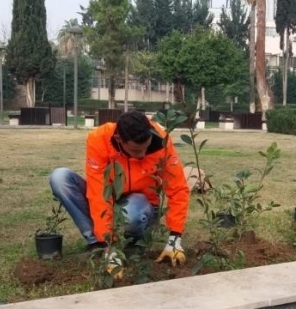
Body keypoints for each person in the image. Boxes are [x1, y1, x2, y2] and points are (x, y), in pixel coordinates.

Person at [49, 110, 190, 267]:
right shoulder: (99, 139)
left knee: (132, 211)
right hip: (111, 198)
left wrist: (175, 237)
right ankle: (98, 244)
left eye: (146, 147)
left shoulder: (161, 141)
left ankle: (135, 243)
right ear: (119, 139)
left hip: (142, 205)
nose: (143, 155)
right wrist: (109, 244)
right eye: (136, 150)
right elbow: (99, 193)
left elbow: (178, 189)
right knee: (60, 178)